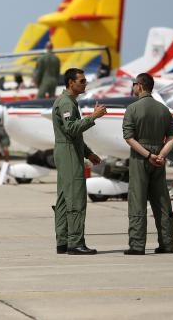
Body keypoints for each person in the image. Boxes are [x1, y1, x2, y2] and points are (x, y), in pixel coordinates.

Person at [52, 68, 106, 255]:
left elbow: (73, 136)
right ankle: (75, 243)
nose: (85, 84)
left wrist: (88, 153)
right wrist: (94, 117)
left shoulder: (68, 101)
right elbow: (72, 129)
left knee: (64, 199)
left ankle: (63, 240)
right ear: (70, 83)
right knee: (75, 198)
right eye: (82, 81)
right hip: (68, 153)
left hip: (68, 150)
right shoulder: (67, 103)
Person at [122, 72, 173, 255]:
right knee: (161, 201)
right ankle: (166, 244)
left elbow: (129, 138)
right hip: (159, 158)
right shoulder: (163, 109)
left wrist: (147, 155)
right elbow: (171, 137)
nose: (133, 87)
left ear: (140, 85)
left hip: (141, 158)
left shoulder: (132, 109)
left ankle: (137, 245)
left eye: (133, 84)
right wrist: (160, 155)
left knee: (138, 200)